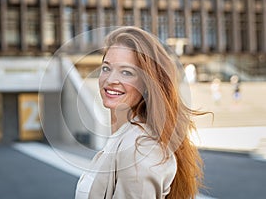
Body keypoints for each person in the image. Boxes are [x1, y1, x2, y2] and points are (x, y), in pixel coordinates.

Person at [75, 26, 207, 199]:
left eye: (126, 72)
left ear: (147, 83)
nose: (110, 80)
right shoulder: (125, 137)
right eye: (106, 68)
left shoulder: (141, 147)